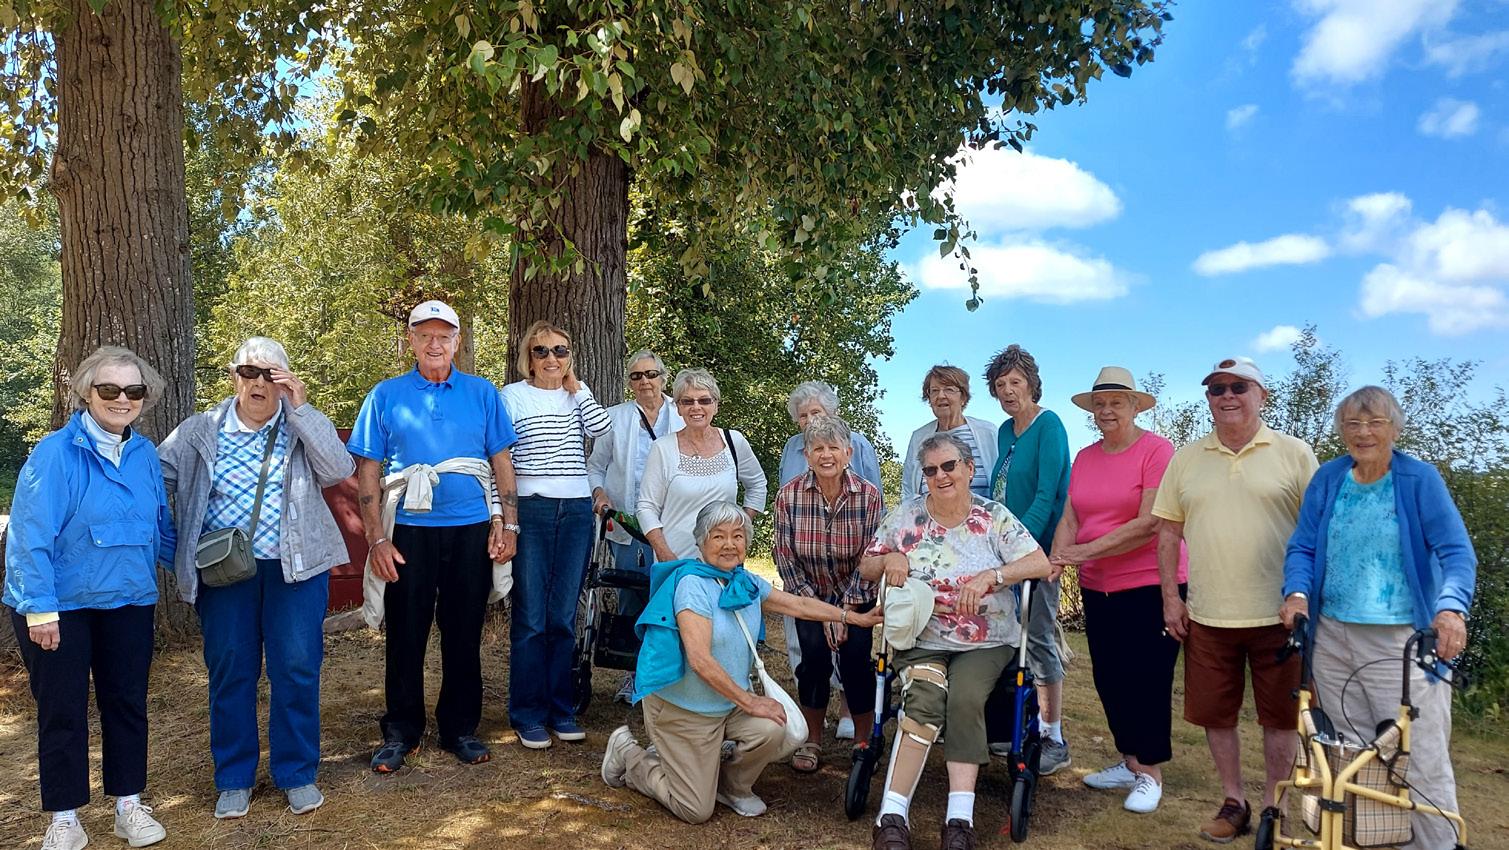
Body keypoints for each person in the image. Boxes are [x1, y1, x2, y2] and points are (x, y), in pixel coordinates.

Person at [158, 337, 355, 819]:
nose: (259, 383)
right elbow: (152, 484)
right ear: (234, 377)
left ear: (286, 382)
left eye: (272, 375)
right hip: (225, 574)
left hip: (296, 568)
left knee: (297, 667)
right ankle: (233, 778)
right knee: (231, 670)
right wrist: (174, 549)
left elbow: (338, 469)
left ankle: (297, 772)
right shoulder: (199, 430)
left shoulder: (301, 425)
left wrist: (302, 409)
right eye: (249, 372)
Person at [599, 501, 883, 823]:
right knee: (695, 810)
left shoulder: (744, 581)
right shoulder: (692, 585)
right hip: (684, 711)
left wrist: (851, 618)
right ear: (701, 541)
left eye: (737, 535)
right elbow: (700, 660)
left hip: (725, 705)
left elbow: (800, 605)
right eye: (718, 536)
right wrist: (750, 701)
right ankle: (630, 756)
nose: (729, 544)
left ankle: (732, 786)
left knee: (774, 727)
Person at [1279, 386, 1475, 850]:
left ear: (1395, 429)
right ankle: (1369, 842)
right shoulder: (1329, 478)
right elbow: (1303, 546)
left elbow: (1456, 552)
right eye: (1352, 424)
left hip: (1401, 642)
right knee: (1350, 753)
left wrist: (1451, 609)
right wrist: (1297, 594)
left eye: (1375, 422)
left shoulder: (1418, 480)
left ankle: (1437, 845)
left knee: (1418, 757)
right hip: (1331, 637)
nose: (1363, 432)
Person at [4, 346, 173, 850]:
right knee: (62, 711)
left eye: (133, 390)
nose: (122, 399)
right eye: (109, 389)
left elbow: (160, 528)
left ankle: (129, 805)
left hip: (130, 600)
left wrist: (198, 572)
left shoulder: (144, 455)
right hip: (62, 607)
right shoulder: (54, 454)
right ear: (86, 393)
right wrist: (39, 609)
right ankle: (65, 817)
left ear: (145, 397)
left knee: (128, 704)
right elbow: (29, 536)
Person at [348, 300, 520, 773]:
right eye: (425, 334)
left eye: (444, 335)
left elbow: (502, 462)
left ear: (457, 342)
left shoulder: (483, 394)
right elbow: (368, 471)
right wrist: (376, 539)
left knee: (464, 632)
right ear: (411, 340)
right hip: (408, 531)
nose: (435, 343)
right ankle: (401, 731)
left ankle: (459, 728)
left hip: (470, 529)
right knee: (405, 633)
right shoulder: (385, 395)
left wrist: (509, 524)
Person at [1153, 356, 1318, 843]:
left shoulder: (1294, 453)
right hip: (1207, 613)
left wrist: (1306, 597)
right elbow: (1168, 533)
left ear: (1261, 395)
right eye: (1216, 389)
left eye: (1238, 387)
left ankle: (1274, 805)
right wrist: (1171, 598)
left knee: (1281, 718)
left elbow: (1316, 533)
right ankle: (1234, 801)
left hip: (1280, 615)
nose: (1226, 396)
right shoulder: (1187, 458)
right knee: (1215, 715)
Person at [860, 433, 1052, 850]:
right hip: (923, 635)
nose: (941, 476)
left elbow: (1039, 562)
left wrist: (993, 576)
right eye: (931, 470)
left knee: (966, 699)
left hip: (986, 638)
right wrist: (891, 557)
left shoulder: (993, 517)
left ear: (968, 468)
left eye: (949, 466)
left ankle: (959, 820)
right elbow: (867, 566)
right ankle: (891, 817)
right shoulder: (907, 517)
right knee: (925, 695)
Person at [1050, 367, 1186, 814]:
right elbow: (1070, 517)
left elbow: (1150, 522)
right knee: (1109, 678)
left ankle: (1151, 773)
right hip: (1098, 585)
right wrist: (1058, 559)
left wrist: (1081, 552)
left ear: (1134, 407)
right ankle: (1130, 762)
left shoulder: (1157, 450)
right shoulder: (1086, 457)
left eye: (1116, 403)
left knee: (1147, 678)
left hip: (1149, 581)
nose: (1106, 411)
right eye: (1100, 404)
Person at [500, 320, 612, 749]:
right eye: (542, 351)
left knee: (564, 615)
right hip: (532, 509)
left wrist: (577, 388)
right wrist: (502, 517)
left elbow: (602, 429)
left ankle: (561, 709)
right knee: (531, 617)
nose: (551, 358)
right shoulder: (512, 396)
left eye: (560, 351)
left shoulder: (576, 395)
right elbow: (500, 460)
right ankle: (527, 713)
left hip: (576, 510)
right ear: (529, 357)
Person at [772, 416, 884, 773]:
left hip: (856, 593)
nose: (826, 455)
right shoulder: (788, 496)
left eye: (833, 447)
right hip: (809, 595)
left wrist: (846, 610)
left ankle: (864, 740)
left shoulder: (869, 496)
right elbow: (784, 556)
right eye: (818, 448)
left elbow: (873, 555)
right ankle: (812, 738)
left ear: (848, 453)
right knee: (814, 660)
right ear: (806, 455)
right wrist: (821, 612)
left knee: (856, 661)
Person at [982, 344, 1071, 773]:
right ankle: (1012, 724)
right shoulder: (1005, 431)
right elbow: (1000, 494)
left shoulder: (1049, 425)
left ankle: (1054, 737)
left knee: (1037, 637)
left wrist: (1018, 549)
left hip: (1038, 553)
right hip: (1007, 551)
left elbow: (1047, 496)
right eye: (1000, 384)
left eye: (1015, 382)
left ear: (1032, 384)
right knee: (1005, 637)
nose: (1008, 390)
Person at [588, 349, 684, 703]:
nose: (645, 381)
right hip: (628, 526)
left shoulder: (683, 414)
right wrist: (599, 494)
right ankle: (634, 673)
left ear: (663, 377)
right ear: (629, 382)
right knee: (631, 595)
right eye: (637, 376)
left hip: (673, 524)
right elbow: (595, 466)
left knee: (672, 597)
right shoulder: (614, 418)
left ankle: (669, 675)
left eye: (651, 374)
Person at [637, 368, 767, 562]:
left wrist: (741, 525)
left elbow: (757, 484)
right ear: (678, 408)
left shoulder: (734, 442)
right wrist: (664, 553)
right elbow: (646, 507)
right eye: (687, 401)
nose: (696, 407)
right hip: (676, 560)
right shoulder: (662, 448)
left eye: (704, 400)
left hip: (725, 560)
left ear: (716, 406)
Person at [900, 365, 996, 500]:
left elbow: (1002, 484)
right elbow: (908, 490)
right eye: (934, 391)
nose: (940, 396)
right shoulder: (919, 437)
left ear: (963, 397)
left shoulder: (988, 432)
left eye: (949, 389)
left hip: (984, 513)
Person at [777, 380, 884, 491]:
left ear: (830, 412)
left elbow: (876, 494)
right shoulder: (791, 446)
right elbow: (784, 491)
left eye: (815, 412)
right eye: (803, 416)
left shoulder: (859, 444)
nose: (810, 420)